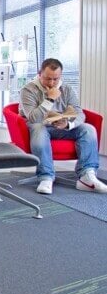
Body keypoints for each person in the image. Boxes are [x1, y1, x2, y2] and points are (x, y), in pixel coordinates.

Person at [19, 58, 105, 194]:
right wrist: (50, 99)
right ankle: (46, 177)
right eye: (48, 79)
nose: (52, 83)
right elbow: (33, 118)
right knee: (38, 128)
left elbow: (79, 114)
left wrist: (68, 124)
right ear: (39, 74)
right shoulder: (28, 90)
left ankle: (86, 176)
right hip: (39, 127)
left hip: (60, 128)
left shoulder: (67, 89)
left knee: (88, 129)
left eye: (56, 79)